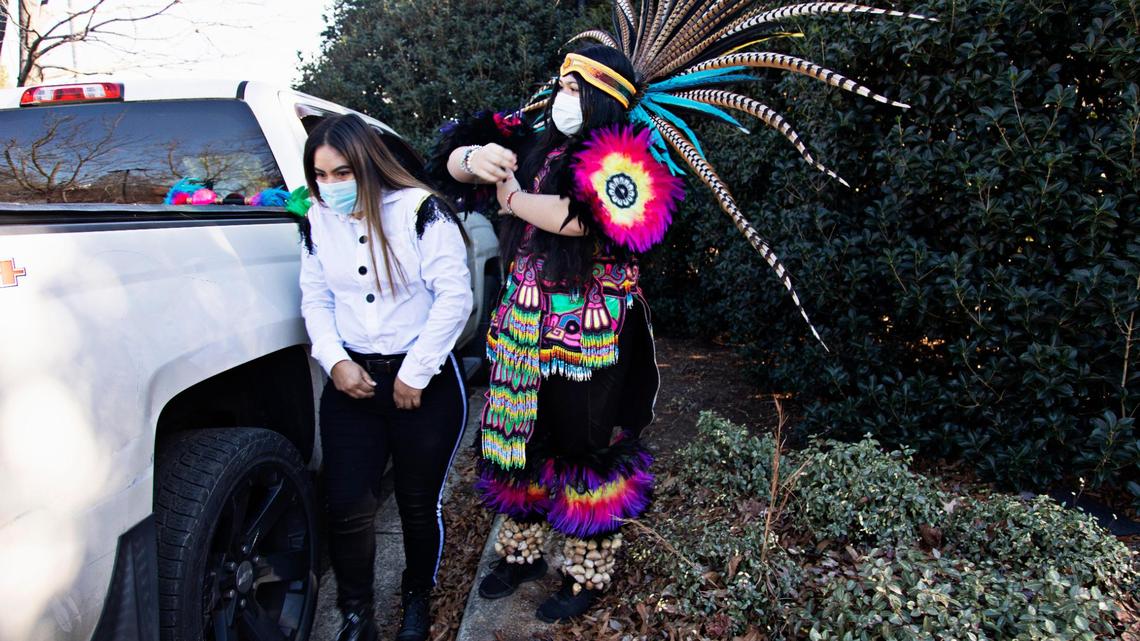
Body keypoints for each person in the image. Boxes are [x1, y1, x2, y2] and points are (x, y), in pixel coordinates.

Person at [428, 44, 673, 623]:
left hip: (591, 333)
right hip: (522, 324)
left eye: (573, 87)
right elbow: (446, 163)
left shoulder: (630, 157)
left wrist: (513, 199)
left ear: (602, 97)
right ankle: (522, 554)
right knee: (519, 437)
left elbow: (587, 219)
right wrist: (475, 157)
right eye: (560, 83)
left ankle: (586, 570)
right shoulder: (536, 142)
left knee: (584, 444)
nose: (560, 95)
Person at [300, 113, 473, 641]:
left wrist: (416, 371)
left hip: (425, 384)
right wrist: (334, 361)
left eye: (342, 172)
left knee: (418, 506)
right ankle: (357, 615)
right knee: (347, 505)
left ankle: (417, 597)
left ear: (368, 164)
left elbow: (454, 297)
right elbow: (316, 298)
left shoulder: (421, 211)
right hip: (352, 383)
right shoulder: (316, 220)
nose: (330, 185)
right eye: (320, 175)